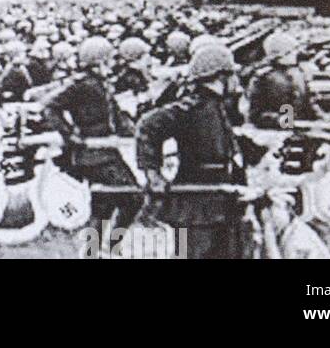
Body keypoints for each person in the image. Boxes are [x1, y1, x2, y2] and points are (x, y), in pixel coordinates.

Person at [136, 44, 249, 259]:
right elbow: (147, 126)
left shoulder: (217, 105)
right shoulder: (192, 107)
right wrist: (153, 173)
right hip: (196, 199)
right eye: (232, 74)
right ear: (220, 76)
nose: (236, 80)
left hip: (220, 196)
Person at [37, 36, 138, 229]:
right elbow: (49, 107)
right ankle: (110, 248)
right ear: (98, 61)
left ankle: (95, 251)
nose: (113, 64)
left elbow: (115, 115)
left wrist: (132, 131)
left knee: (104, 205)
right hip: (93, 154)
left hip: (105, 151)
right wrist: (69, 135)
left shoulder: (100, 83)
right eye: (109, 59)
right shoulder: (81, 84)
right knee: (133, 198)